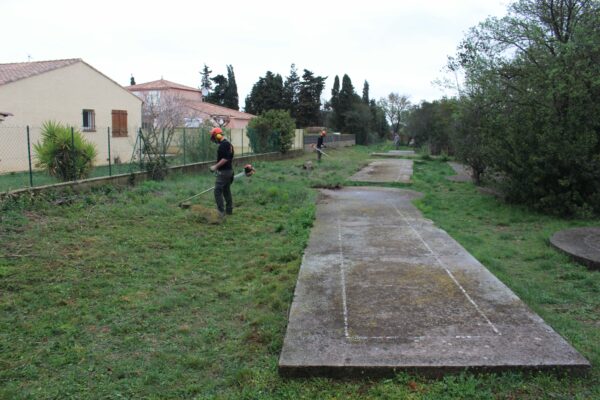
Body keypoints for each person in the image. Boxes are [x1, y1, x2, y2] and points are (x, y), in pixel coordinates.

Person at [209, 127, 234, 217]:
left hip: (224, 172)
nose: (214, 140)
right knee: (226, 190)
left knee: (217, 191)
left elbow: (225, 159)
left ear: (217, 136)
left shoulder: (223, 145)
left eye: (214, 137)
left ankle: (221, 212)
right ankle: (229, 210)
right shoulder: (228, 144)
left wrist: (215, 167)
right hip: (229, 171)